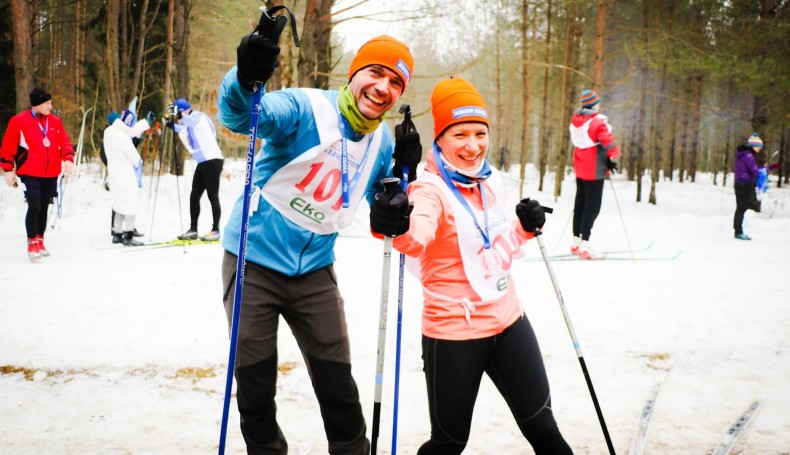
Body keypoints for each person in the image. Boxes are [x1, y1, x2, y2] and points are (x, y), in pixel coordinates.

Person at [216, 14, 419, 454]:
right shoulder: (307, 106)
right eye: (376, 73)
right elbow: (242, 115)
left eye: (396, 83)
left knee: (337, 383)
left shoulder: (381, 141)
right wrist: (247, 77)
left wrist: (402, 188)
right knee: (254, 380)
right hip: (254, 258)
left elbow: (385, 209)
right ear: (355, 74)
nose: (384, 87)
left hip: (315, 272)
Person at [369, 77, 573, 454]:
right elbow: (415, 237)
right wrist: (394, 221)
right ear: (440, 139)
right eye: (460, 134)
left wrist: (524, 227)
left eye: (480, 133)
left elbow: (488, 245)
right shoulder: (429, 190)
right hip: (453, 333)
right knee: (449, 443)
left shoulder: (487, 181)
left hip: (509, 322)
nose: (473, 145)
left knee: (544, 429)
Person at [1, 88, 75, 262]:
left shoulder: (55, 121)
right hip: (29, 171)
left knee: (43, 206)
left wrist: (68, 159)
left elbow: (65, 142)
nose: (51, 106)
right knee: (34, 204)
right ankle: (31, 242)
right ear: (39, 104)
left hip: (50, 173)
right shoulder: (19, 121)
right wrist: (7, 169)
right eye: (47, 103)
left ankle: (40, 240)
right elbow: (7, 146)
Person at [568, 89, 621, 259]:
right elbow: (609, 143)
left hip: (580, 167)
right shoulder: (597, 122)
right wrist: (614, 154)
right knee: (593, 207)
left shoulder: (576, 121)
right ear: (593, 104)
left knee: (580, 204)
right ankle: (585, 245)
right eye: (597, 102)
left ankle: (576, 242)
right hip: (594, 170)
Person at [167, 97, 225, 241]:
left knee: (212, 195)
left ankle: (215, 231)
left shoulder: (198, 117)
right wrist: (169, 124)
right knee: (194, 195)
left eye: (179, 114)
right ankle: (193, 229)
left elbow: (189, 122)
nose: (179, 118)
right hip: (202, 162)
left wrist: (179, 115)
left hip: (212, 160)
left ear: (182, 111)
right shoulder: (189, 121)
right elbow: (182, 128)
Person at [103, 109, 150, 246]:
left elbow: (129, 131)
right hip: (125, 174)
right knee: (131, 203)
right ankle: (128, 235)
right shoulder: (123, 137)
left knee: (118, 203)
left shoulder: (109, 132)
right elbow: (135, 159)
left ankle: (117, 234)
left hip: (113, 173)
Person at [733, 133, 766, 240]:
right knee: (741, 208)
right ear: (754, 146)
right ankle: (738, 232)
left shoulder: (742, 154)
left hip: (739, 183)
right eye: (758, 147)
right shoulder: (748, 156)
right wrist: (762, 170)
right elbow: (754, 171)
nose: (759, 149)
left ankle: (737, 230)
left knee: (740, 207)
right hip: (744, 184)